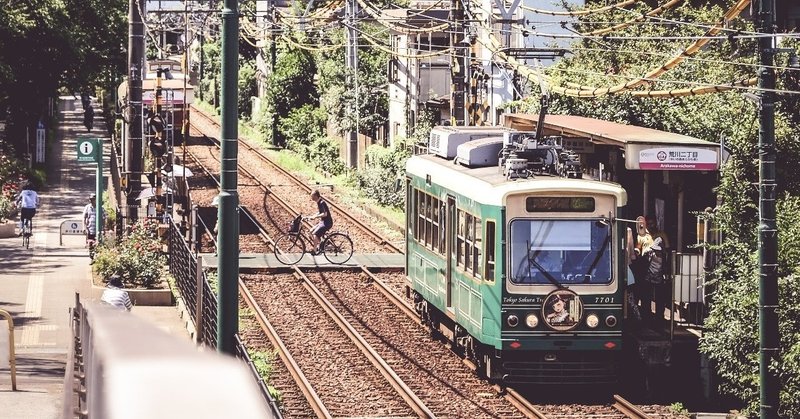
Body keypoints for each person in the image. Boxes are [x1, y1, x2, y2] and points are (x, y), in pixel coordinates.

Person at [305, 190, 333, 255]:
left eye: (312, 196)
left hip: (327, 223)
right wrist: (312, 216)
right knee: (311, 231)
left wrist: (316, 217)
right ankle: (322, 244)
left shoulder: (322, 203)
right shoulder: (319, 202)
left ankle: (314, 251)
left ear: (315, 196)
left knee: (315, 234)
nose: (311, 197)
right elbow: (320, 212)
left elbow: (325, 214)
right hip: (323, 222)